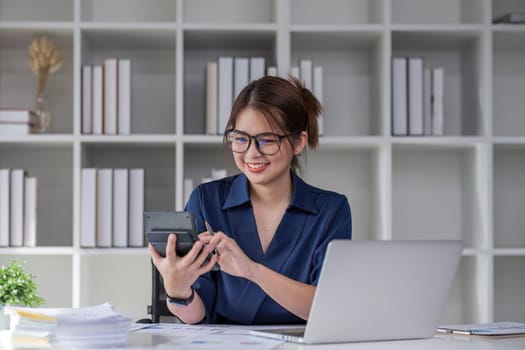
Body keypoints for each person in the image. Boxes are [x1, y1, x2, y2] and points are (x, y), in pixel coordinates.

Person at [149, 75, 352, 325]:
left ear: (298, 142)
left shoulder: (331, 210)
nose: (251, 153)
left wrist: (252, 271)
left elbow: (327, 307)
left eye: (267, 140)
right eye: (241, 139)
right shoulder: (205, 200)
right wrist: (177, 290)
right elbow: (197, 315)